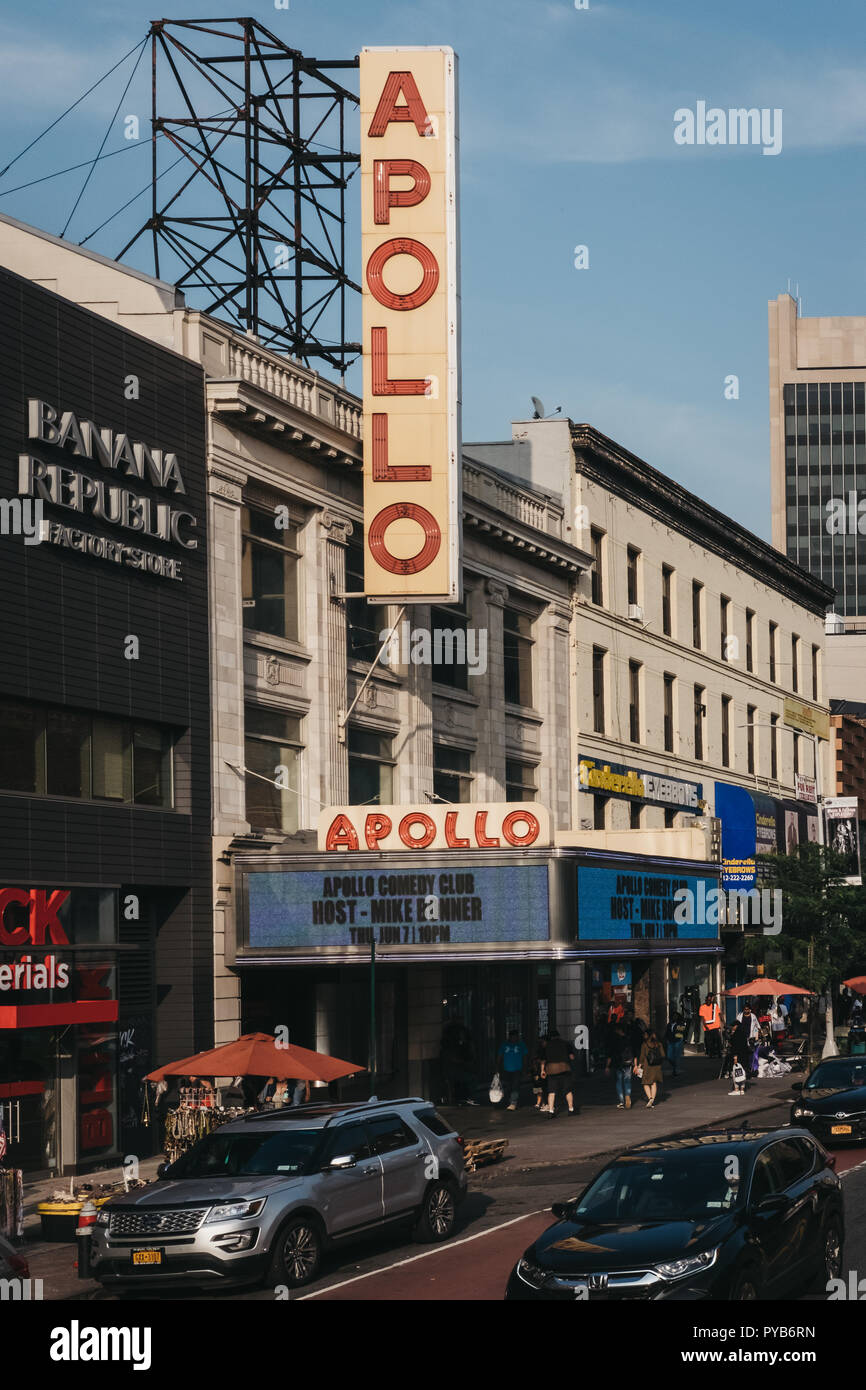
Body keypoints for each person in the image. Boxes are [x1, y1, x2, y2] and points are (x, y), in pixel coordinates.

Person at [543, 1029, 576, 1116]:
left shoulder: (547, 1045)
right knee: (567, 1090)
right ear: (559, 1036)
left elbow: (543, 1060)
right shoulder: (566, 1044)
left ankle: (551, 1111)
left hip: (551, 1070)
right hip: (564, 1068)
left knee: (551, 1091)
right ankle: (571, 1109)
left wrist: (542, 1070)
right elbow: (572, 1057)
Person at [605, 1022, 635, 1109]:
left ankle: (622, 1101)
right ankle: (628, 1095)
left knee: (619, 1081)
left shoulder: (614, 1041)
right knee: (627, 1081)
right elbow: (633, 1052)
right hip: (628, 1062)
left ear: (617, 1030)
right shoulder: (628, 1039)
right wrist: (634, 1063)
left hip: (618, 1063)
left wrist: (607, 1066)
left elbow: (610, 1054)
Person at [497, 1030, 528, 1110]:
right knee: (507, 1086)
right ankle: (509, 1101)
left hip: (517, 1069)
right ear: (509, 1037)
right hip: (505, 1069)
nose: (514, 1038)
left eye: (516, 1036)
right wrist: (497, 1067)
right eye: (513, 1036)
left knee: (515, 1086)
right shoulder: (504, 1045)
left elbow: (525, 1057)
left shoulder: (521, 1045)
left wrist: (525, 1068)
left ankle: (513, 1102)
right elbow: (499, 1056)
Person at [636, 1029, 664, 1107]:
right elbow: (663, 1055)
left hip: (647, 1065)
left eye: (645, 1034)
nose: (643, 1035)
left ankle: (650, 1098)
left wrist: (639, 1066)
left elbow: (642, 1057)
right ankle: (652, 1099)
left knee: (645, 1083)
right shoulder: (659, 1044)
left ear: (648, 1035)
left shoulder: (644, 1044)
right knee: (654, 1082)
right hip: (657, 1066)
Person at [728, 1014, 752, 1095]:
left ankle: (736, 1089)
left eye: (733, 1026)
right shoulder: (743, 1033)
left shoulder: (736, 1034)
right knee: (742, 1073)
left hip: (738, 1056)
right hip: (744, 1056)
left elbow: (735, 1046)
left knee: (736, 1073)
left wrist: (735, 1057)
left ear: (736, 1026)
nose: (732, 1027)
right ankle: (742, 1089)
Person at [664, 1011, 687, 1077]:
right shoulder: (669, 1024)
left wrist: (678, 1038)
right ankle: (674, 1066)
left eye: (676, 1016)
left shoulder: (681, 1024)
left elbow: (681, 1032)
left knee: (676, 1056)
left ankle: (675, 1070)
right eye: (674, 1016)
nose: (675, 1017)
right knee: (669, 1056)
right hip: (670, 1042)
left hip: (678, 1041)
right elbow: (667, 1032)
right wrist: (666, 1039)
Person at [531, 1038, 547, 1111]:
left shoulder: (540, 1052)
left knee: (540, 1087)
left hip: (539, 1072)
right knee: (541, 1087)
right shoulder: (542, 1051)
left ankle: (541, 1103)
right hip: (540, 1071)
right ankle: (542, 1102)